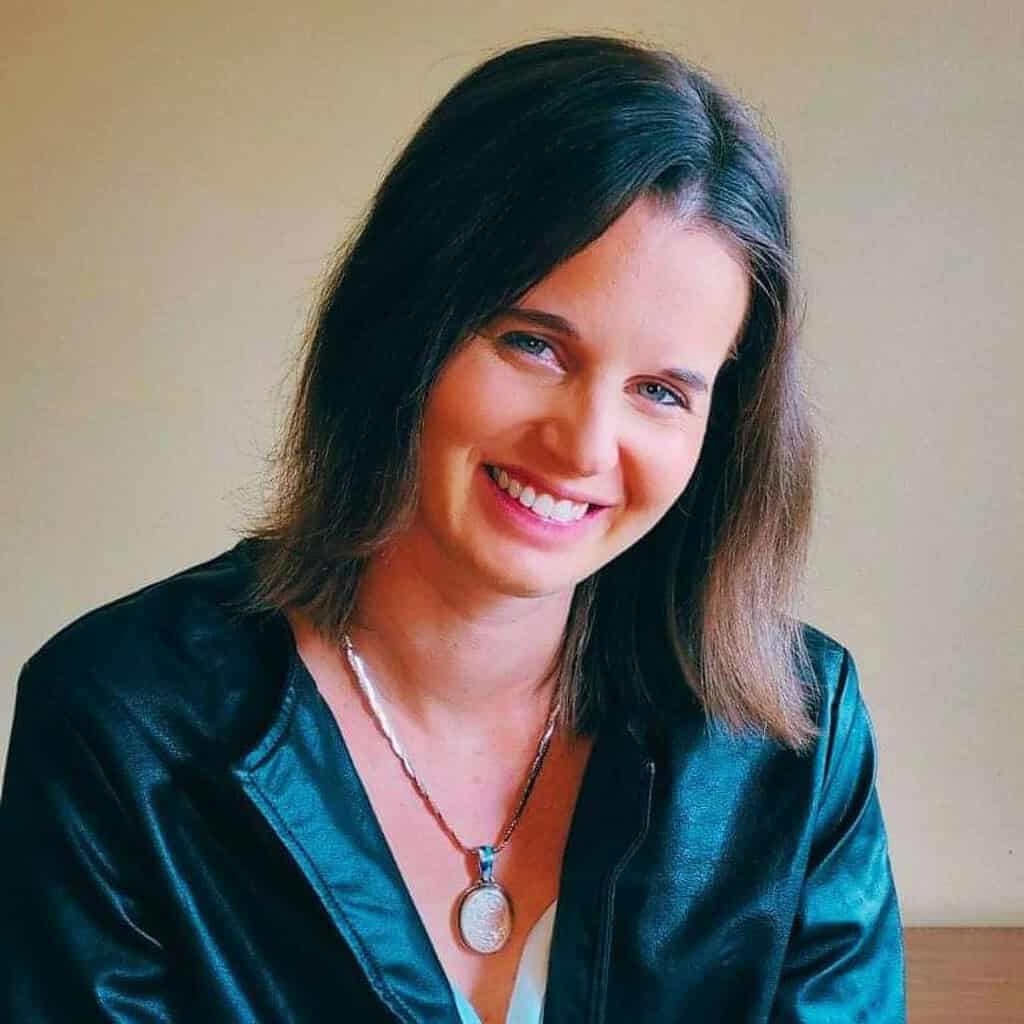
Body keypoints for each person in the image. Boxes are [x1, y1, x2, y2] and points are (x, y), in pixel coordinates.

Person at [0, 34, 905, 1023]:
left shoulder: (802, 736)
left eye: (660, 391)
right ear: (403, 324)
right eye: (533, 344)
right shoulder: (119, 724)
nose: (583, 446)